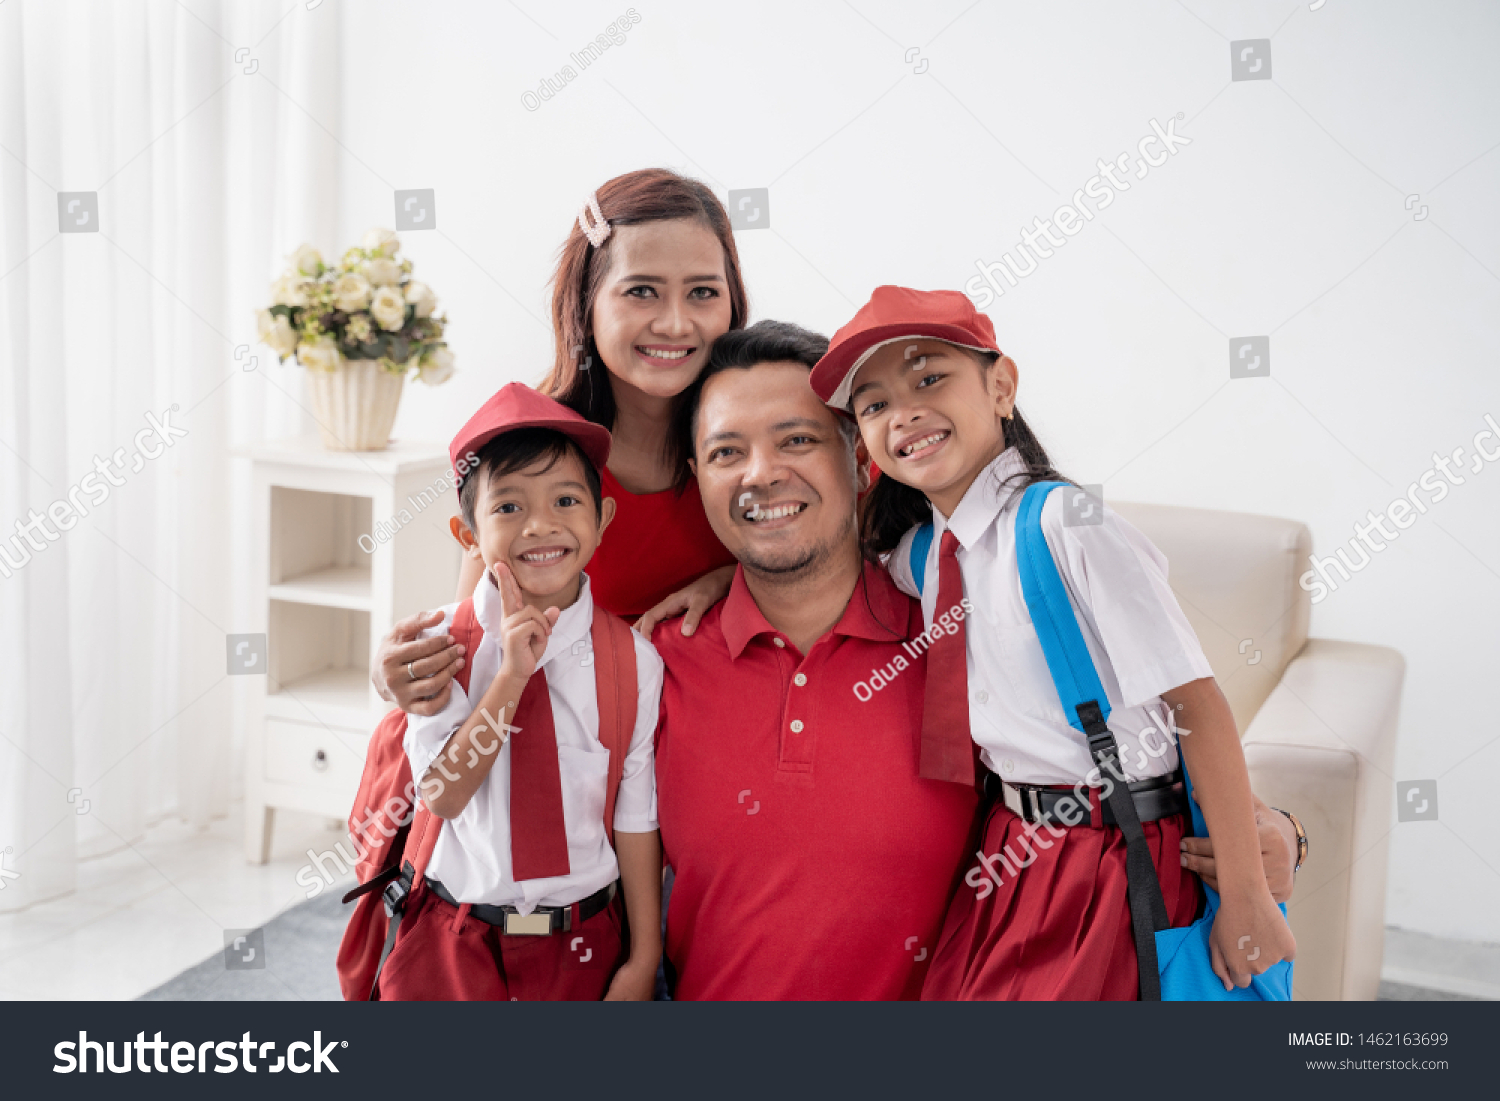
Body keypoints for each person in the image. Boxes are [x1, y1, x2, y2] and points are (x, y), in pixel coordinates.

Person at [653, 321, 1302, 999]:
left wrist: (1276, 840)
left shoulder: (985, 589)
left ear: (859, 462)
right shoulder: (662, 660)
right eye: (729, 452)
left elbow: (1178, 719)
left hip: (1090, 878)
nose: (762, 473)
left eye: (797, 439)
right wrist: (729, 578)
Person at [373, 168, 746, 719]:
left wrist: (735, 582)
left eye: (703, 292)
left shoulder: (757, 435)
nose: (674, 322)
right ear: (586, 302)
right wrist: (401, 673)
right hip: (567, 755)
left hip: (697, 740)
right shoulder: (525, 445)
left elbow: (848, 560)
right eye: (641, 290)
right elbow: (473, 638)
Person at [375, 383, 663, 1001]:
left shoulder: (633, 661)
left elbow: (636, 819)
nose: (541, 525)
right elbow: (443, 796)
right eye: (508, 507)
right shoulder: (441, 644)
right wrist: (511, 676)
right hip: (456, 938)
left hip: (581, 944)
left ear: (602, 518)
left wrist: (643, 959)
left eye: (566, 500)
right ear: (467, 534)